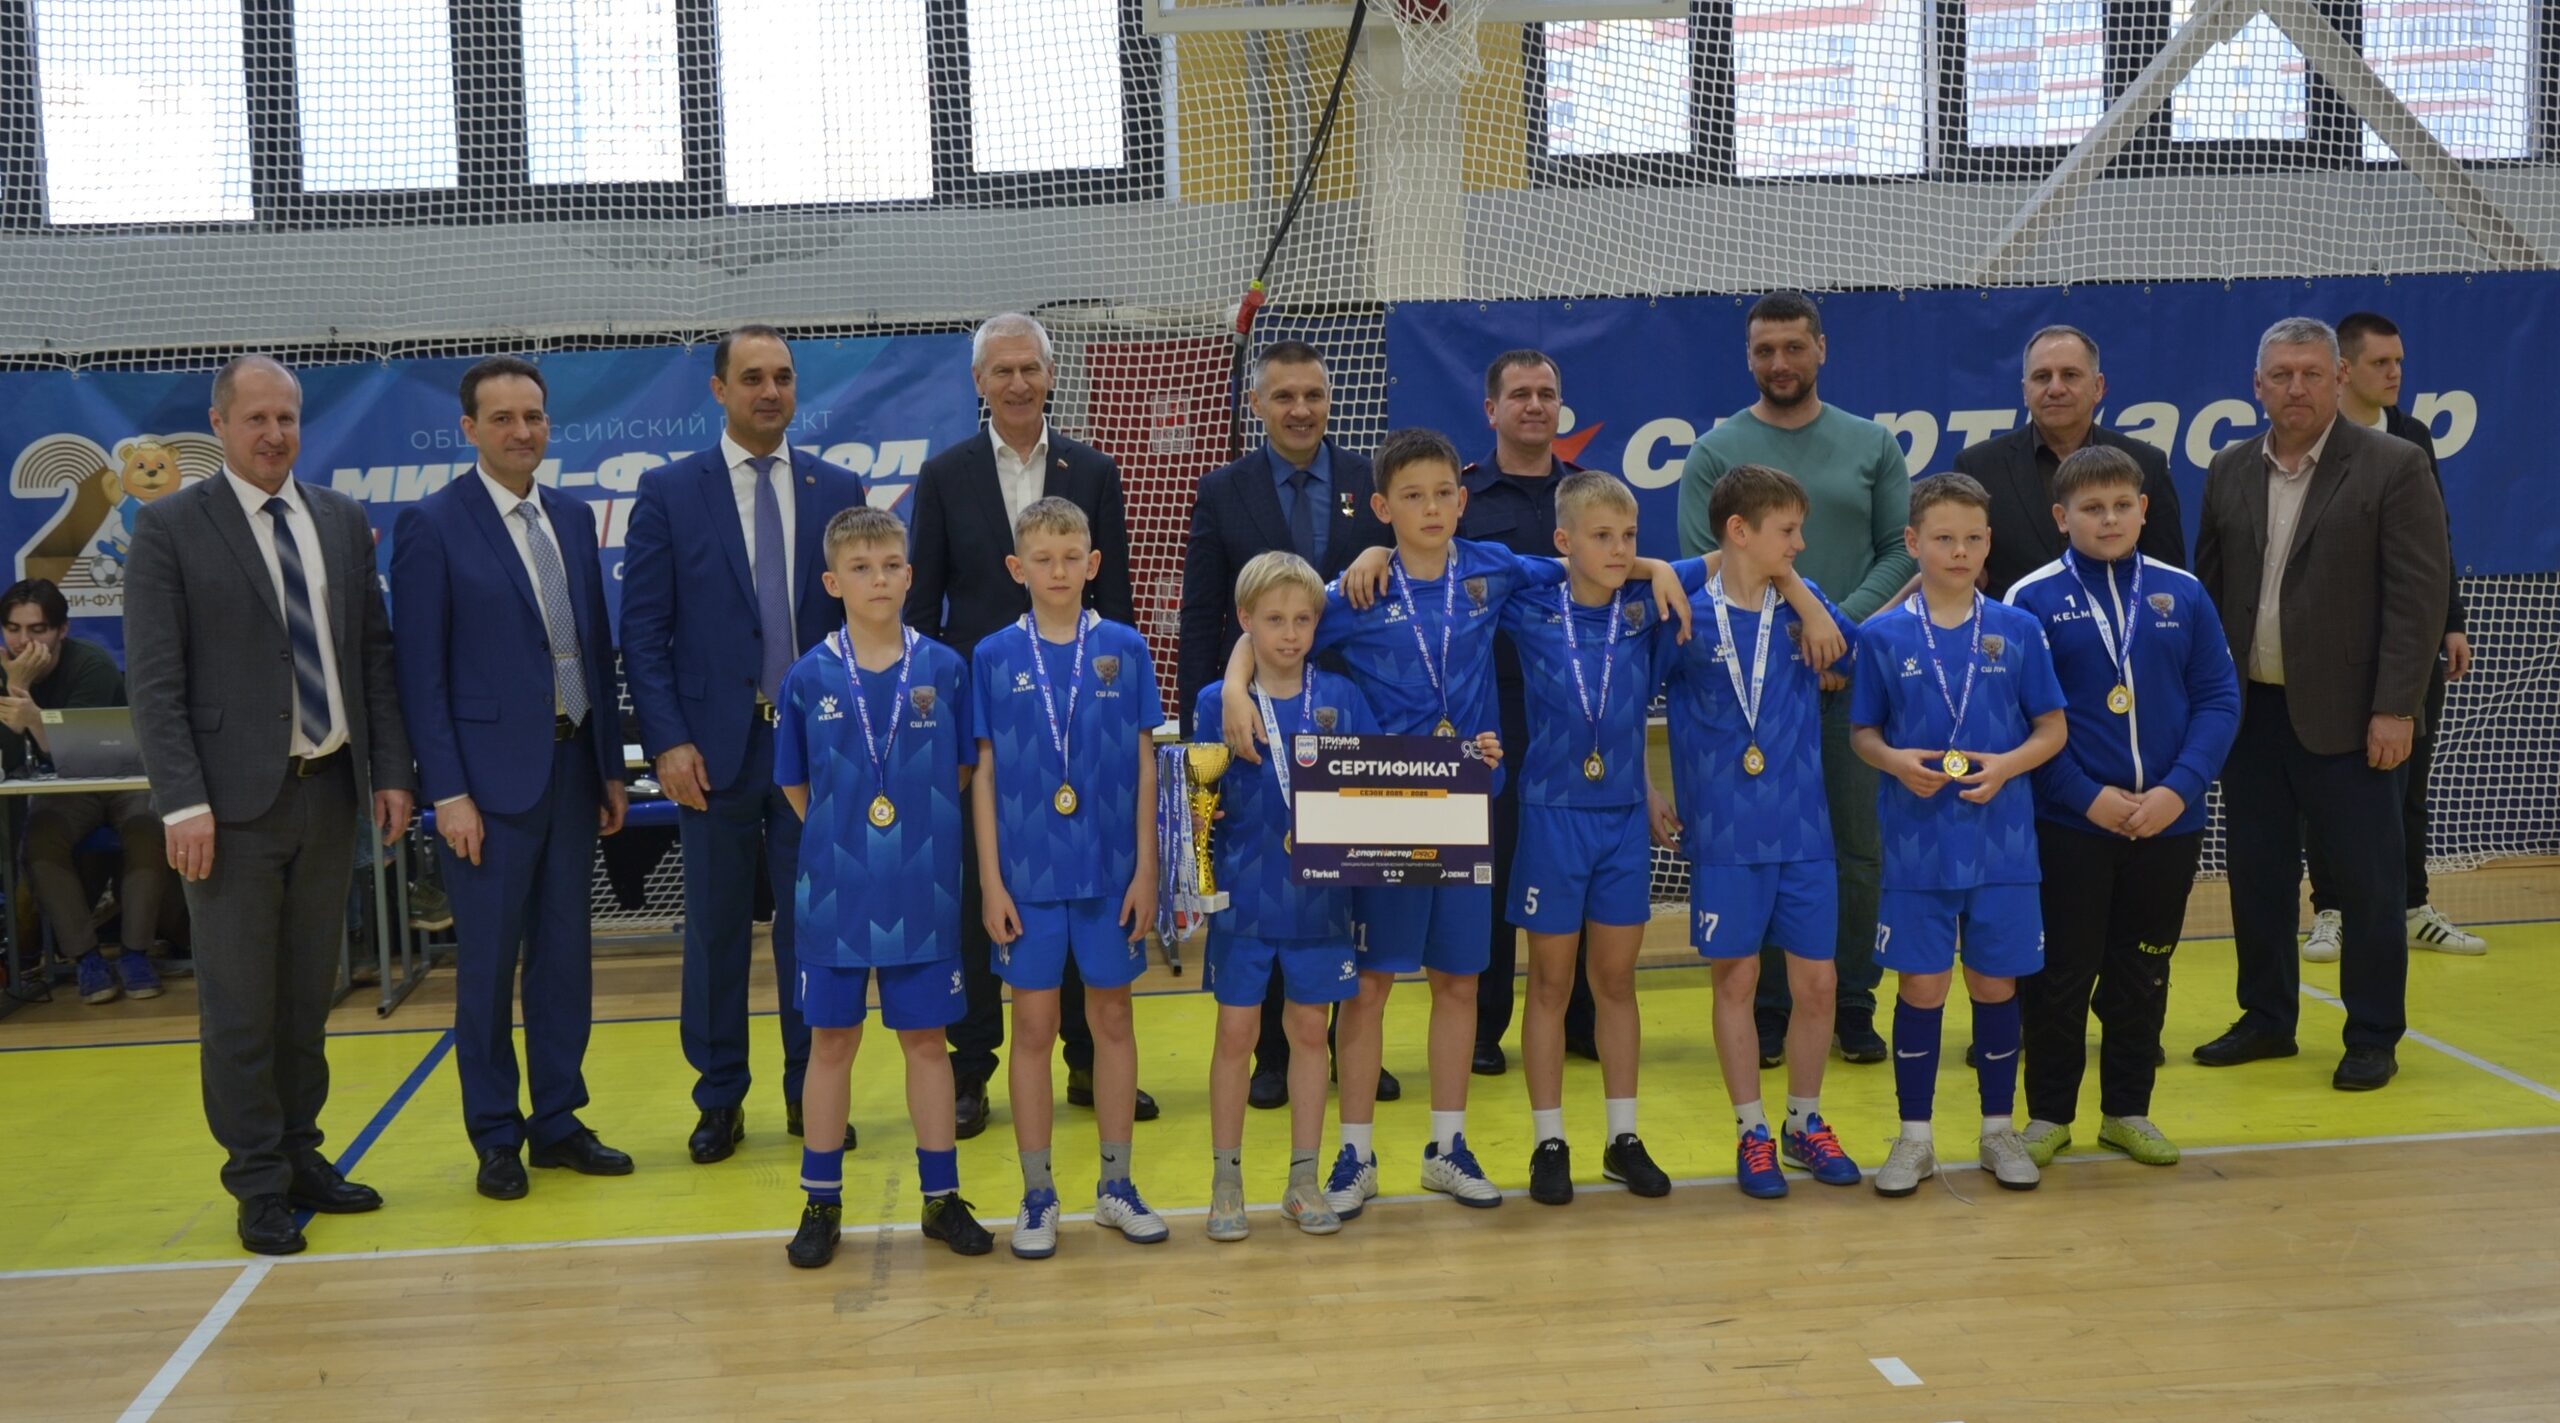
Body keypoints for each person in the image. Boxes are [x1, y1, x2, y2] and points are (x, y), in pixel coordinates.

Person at [1220, 429, 1687, 1217]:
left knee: (1458, 981)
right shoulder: (1360, 589)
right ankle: (1356, 1154)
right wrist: (1236, 687)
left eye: (1443, 493)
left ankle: (1446, 1146)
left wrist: (1658, 566)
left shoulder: (1492, 568)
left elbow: (1588, 561)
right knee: (1370, 987)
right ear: (1383, 507)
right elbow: (1272, 625)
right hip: (1377, 808)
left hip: (1465, 802)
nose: (1431, 508)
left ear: (1463, 499)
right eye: (1412, 496)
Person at [123, 355, 416, 1256]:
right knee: (240, 1006)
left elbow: (371, 656)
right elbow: (156, 682)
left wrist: (391, 771)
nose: (274, 433)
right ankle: (255, 1181)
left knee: (305, 998)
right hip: (228, 809)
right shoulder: (170, 527)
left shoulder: (339, 518)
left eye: (286, 417)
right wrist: (181, 802)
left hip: (328, 791)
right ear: (219, 424)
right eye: (255, 418)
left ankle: (299, 1153)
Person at [621, 324, 867, 1165]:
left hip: (816, 752)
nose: (770, 391)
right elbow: (643, 631)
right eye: (753, 377)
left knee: (815, 930)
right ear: (719, 390)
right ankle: (719, 1095)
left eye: (783, 377)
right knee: (717, 932)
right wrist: (667, 742)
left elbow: (862, 624)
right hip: (711, 752)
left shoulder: (839, 486)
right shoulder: (668, 491)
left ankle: (809, 1090)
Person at [390, 356, 634, 1201]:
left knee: (565, 960)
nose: (521, 431)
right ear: (469, 429)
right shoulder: (432, 525)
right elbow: (421, 675)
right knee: (490, 968)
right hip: (486, 789)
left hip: (572, 768)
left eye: (533, 416)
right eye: (502, 418)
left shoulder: (572, 515)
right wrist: (448, 793)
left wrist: (608, 767)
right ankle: (496, 1133)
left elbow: (592, 648)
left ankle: (558, 1120)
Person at [907, 312, 1154, 1138]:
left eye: (1030, 368)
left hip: (1086, 719)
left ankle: (1088, 1059)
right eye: (1001, 370)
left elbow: (1116, 599)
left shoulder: (1095, 469)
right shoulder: (944, 474)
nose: (1017, 382)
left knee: (1087, 880)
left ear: (1051, 376)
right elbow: (923, 610)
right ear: (978, 381)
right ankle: (974, 1065)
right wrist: (942, 722)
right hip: (991, 721)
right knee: (987, 891)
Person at [2192, 317, 2451, 1093]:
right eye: (2281, 375)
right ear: (2258, 385)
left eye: (2311, 373)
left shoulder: (2394, 464)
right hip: (2252, 715)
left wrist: (2397, 707)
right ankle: (2267, 1018)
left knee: (2369, 884)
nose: (2296, 388)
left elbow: (2418, 597)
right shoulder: (2228, 467)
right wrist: (2209, 703)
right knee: (2257, 877)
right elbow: (2210, 591)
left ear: (2338, 379)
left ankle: (2372, 1033)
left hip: (2355, 715)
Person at [1678, 291, 1915, 1068]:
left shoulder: (1871, 443)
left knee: (1856, 845)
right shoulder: (1714, 451)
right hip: (1753, 689)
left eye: (1792, 346)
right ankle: (1771, 1006)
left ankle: (1853, 999)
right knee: (1762, 847)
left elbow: (1900, 549)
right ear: (1748, 358)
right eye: (1764, 350)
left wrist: (1835, 631)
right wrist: (1799, 626)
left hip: (1849, 673)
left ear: (1821, 348)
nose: (1779, 362)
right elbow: (1710, 564)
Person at [1500, 471, 1738, 1205]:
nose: (1619, 549)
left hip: (1623, 819)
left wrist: (1655, 566)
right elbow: (1462, 562)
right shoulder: (1530, 602)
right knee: (1550, 983)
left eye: (1629, 536)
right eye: (1600, 536)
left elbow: (1730, 555)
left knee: (1615, 982)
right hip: (1551, 816)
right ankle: (1549, 1141)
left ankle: (1622, 1137)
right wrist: (1649, 563)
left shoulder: (1643, 608)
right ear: (1564, 540)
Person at [2004, 446, 2239, 1168]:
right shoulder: (2030, 599)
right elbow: (2020, 719)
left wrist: (2177, 790)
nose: (2108, 519)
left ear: (2143, 510)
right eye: (2091, 508)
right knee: (2060, 976)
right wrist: (2085, 796)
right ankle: (2048, 1116)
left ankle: (2128, 1110)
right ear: (2061, 517)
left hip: (2169, 822)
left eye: (2120, 506)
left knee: (2144, 972)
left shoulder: (2183, 593)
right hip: (2071, 824)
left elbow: (2218, 699)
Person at [1176, 340, 1395, 1111]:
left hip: (1340, 709)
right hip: (1254, 717)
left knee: (1337, 887)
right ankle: (1271, 1053)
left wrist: (1383, 543)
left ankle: (1345, 1040)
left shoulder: (1371, 483)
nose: (1301, 409)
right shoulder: (1223, 488)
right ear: (1257, 405)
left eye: (1313, 394)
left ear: (1331, 399)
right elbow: (1205, 613)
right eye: (1284, 396)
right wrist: (1216, 707)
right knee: (1263, 874)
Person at [774, 506, 993, 1267]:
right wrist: (848, 840)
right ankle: (820, 1201)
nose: (879, 579)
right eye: (861, 568)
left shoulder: (945, 669)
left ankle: (941, 1198)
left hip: (924, 889)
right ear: (833, 581)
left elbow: (960, 770)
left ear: (909, 574)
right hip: (835, 892)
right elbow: (796, 786)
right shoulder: (807, 676)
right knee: (831, 1042)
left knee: (927, 1041)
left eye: (891, 565)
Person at [1850, 473, 2068, 1197]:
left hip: (2003, 846)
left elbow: (2052, 728)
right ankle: (1914, 1139)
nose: (1960, 550)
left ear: (1989, 542)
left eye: (1973, 537)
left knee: (1994, 981)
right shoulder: (1882, 636)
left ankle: (1998, 1130)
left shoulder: (2018, 628)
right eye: (1944, 537)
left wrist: (2006, 765)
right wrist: (1893, 761)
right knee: (1921, 983)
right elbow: (1862, 733)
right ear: (1913, 542)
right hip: (1917, 845)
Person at [1653, 465, 1864, 1200]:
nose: (1800, 544)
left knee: (1819, 983)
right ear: (1739, 531)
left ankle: (1804, 1121)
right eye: (1788, 531)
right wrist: (1645, 788)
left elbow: (1849, 656)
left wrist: (1798, 590)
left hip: (1804, 830)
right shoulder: (1684, 611)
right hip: (1724, 835)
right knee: (1737, 980)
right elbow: (1623, 696)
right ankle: (1751, 1131)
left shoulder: (1804, 607)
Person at [971, 497, 1166, 1258]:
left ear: (1094, 563)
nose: (1057, 570)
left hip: (1111, 874)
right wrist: (991, 881)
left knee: (1112, 1020)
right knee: (1033, 1027)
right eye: (1042, 559)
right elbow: (984, 772)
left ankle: (1117, 1187)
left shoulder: (1125, 646)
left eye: (1070, 557)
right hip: (1026, 878)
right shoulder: (993, 655)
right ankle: (1037, 1195)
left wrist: (1147, 868)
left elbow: (1147, 765)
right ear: (1017, 567)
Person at [1194, 550, 1370, 1241]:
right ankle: (1225, 1181)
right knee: (1236, 1033)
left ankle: (1304, 1180)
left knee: (1307, 1030)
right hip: (1244, 895)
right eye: (1274, 620)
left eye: (1302, 619)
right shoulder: (1217, 703)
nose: (1290, 633)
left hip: (1321, 898)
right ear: (1246, 620)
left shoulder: (1342, 698)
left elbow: (1375, 786)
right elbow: (1196, 808)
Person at [2303, 312, 2483, 959]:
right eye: (2381, 362)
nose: (2395, 372)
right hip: (2332, 646)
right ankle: (2331, 909)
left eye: (2399, 361)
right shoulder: (2317, 439)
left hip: (2408, 642)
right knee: (2329, 784)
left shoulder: (2411, 436)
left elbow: (2435, 538)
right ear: (2345, 369)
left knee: (2408, 783)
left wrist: (2451, 619)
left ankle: (2412, 905)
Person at [1460, 350, 1597, 1081]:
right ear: (1492, 410)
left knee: (1573, 863)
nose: (1535, 405)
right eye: (1519, 394)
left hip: (1580, 708)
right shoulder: (1464, 500)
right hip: (1498, 707)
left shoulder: (1590, 493)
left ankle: (1582, 1019)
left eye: (1547, 392)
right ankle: (1485, 1026)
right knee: (1493, 866)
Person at [1, 578, 169, 1004]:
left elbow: (78, 752)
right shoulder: (5, 671)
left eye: (37, 629)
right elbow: (9, 757)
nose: (24, 642)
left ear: (62, 630)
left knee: (146, 830)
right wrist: (16, 686)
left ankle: (135, 953)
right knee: (40, 840)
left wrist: (28, 710)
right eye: (13, 629)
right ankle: (85, 957)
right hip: (66, 791)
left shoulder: (91, 663)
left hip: (123, 778)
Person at [1956, 324, 2187, 599]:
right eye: (2042, 377)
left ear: (2098, 387)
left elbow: (2167, 578)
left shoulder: (2147, 464)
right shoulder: (1978, 468)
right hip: (2014, 626)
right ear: (2025, 391)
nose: (2055, 388)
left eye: (2070, 375)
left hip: (2122, 625)